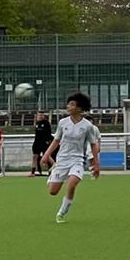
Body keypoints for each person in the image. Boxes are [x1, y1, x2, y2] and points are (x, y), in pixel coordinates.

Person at [40, 92, 100, 223]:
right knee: (53, 192)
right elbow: (56, 140)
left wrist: (96, 163)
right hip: (62, 160)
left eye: (72, 104)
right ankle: (53, 174)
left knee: (72, 184)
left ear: (79, 108)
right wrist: (46, 155)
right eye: (68, 104)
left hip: (77, 160)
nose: (68, 106)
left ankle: (61, 213)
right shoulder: (63, 123)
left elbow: (93, 144)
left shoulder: (87, 126)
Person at [31, 110, 53, 176]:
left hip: (44, 142)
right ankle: (33, 172)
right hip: (37, 143)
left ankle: (54, 166)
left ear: (44, 116)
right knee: (34, 156)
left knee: (47, 156)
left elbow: (49, 133)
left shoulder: (46, 123)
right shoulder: (37, 123)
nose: (40, 116)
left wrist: (48, 141)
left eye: (42, 115)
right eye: (39, 115)